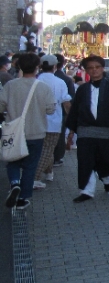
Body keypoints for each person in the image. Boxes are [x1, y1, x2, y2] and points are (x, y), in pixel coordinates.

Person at [66, 56, 109, 203]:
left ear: (103, 68)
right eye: (90, 68)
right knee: (85, 160)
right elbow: (75, 111)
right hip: (85, 130)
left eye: (97, 67)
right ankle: (86, 190)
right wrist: (71, 132)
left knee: (105, 159)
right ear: (86, 70)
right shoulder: (82, 89)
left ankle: (107, 179)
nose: (94, 70)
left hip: (104, 131)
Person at [1, 53, 56, 210]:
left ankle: (14, 183)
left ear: (19, 66)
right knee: (30, 166)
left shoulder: (10, 85)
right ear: (37, 67)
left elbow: (1, 105)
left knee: (12, 161)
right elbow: (51, 109)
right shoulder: (43, 87)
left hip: (13, 132)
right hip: (36, 132)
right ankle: (22, 198)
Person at [33, 55, 72, 189]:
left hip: (35, 121)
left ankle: (49, 172)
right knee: (48, 150)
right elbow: (66, 103)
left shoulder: (35, 80)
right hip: (54, 121)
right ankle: (35, 177)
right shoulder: (60, 82)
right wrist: (72, 119)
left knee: (43, 149)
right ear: (55, 66)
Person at [53, 54, 76, 168]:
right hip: (62, 112)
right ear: (63, 64)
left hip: (43, 112)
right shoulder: (66, 79)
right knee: (60, 135)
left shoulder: (40, 77)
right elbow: (71, 98)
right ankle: (57, 157)